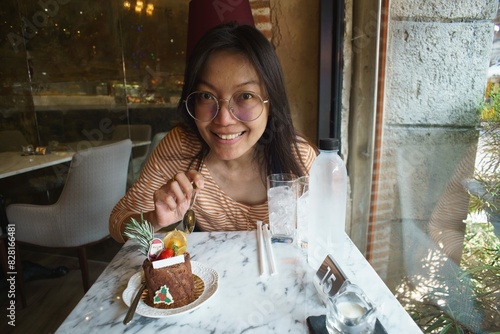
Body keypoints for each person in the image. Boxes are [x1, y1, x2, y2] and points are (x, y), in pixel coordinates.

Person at [109, 23, 317, 243]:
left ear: (271, 102)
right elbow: (117, 223)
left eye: (245, 96)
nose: (224, 119)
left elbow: (322, 242)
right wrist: (154, 220)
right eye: (206, 96)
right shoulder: (182, 147)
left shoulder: (300, 158)